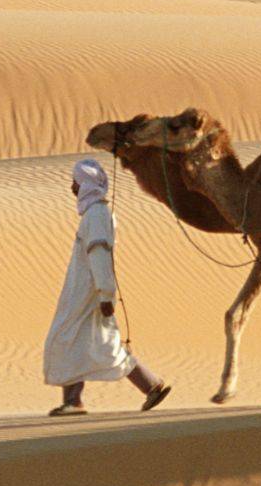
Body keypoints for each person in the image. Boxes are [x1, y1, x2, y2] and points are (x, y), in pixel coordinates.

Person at [43, 158, 170, 416]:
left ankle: (74, 401)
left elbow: (99, 252)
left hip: (89, 292)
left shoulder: (98, 214)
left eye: (76, 182)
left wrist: (104, 293)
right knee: (93, 342)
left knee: (69, 339)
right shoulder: (95, 213)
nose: (72, 188)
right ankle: (149, 385)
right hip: (84, 290)